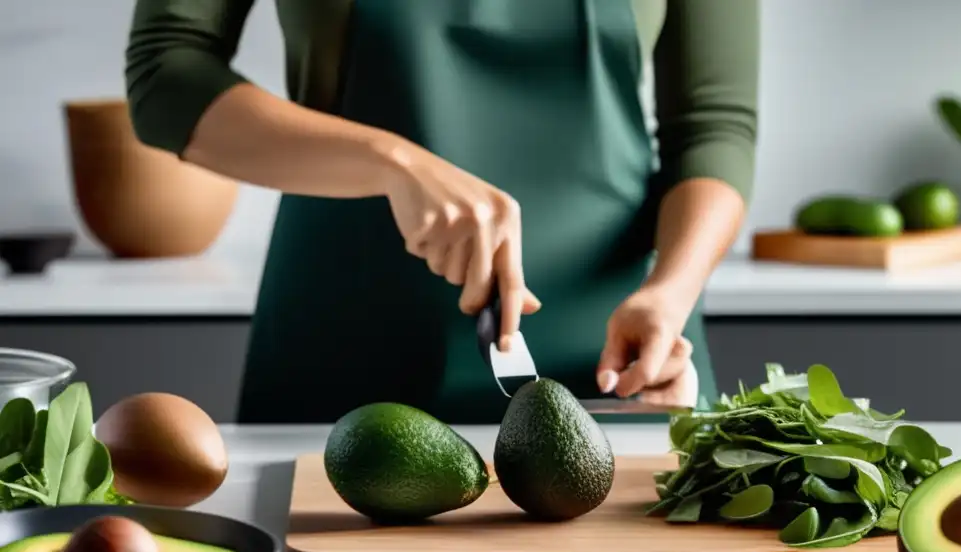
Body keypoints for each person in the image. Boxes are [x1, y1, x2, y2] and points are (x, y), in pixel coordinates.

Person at [125, 0, 759, 424]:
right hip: (343, 347)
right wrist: (392, 162)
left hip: (621, 360)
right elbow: (165, 74)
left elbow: (713, 126)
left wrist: (670, 291)